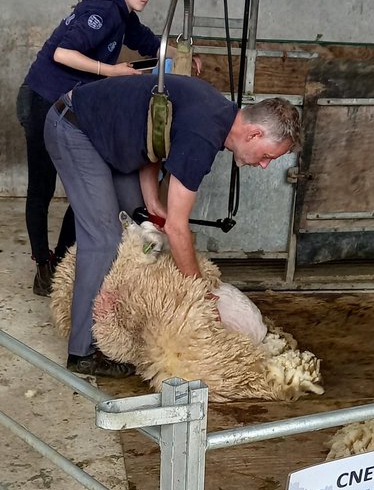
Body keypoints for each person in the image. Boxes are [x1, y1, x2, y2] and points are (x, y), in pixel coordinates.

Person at [43, 74, 300, 378]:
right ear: (254, 134)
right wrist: (200, 293)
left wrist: (151, 201)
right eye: (268, 156)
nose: (265, 164)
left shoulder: (217, 115)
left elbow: (154, 136)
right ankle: (81, 352)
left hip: (107, 137)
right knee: (104, 238)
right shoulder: (203, 136)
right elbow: (178, 228)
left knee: (139, 219)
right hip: (75, 128)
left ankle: (126, 314)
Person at [16, 0, 161, 296]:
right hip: (42, 99)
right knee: (42, 187)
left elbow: (148, 42)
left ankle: (66, 257)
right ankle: (44, 266)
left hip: (72, 107)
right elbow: (62, 54)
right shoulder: (106, 10)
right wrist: (113, 71)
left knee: (85, 186)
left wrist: (182, 51)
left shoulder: (123, 15)